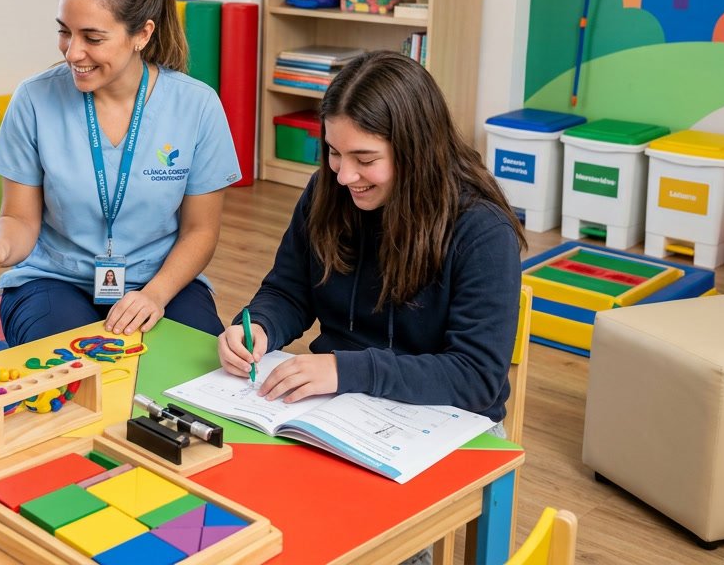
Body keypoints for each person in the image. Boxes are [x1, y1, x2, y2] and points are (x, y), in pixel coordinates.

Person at [219, 50, 525, 429]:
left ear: (416, 150)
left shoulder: (482, 230)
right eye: (334, 152)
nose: (345, 175)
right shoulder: (327, 192)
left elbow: (476, 377)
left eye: (365, 160)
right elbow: (289, 291)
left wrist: (346, 369)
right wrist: (259, 326)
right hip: (341, 405)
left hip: (447, 421)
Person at [0, 0, 240, 346]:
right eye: (64, 31)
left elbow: (200, 230)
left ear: (142, 33)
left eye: (92, 37)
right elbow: (19, 219)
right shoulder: (33, 99)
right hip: (52, 281)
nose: (72, 52)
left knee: (195, 381)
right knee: (70, 371)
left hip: (160, 281)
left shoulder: (196, 105)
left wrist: (154, 296)